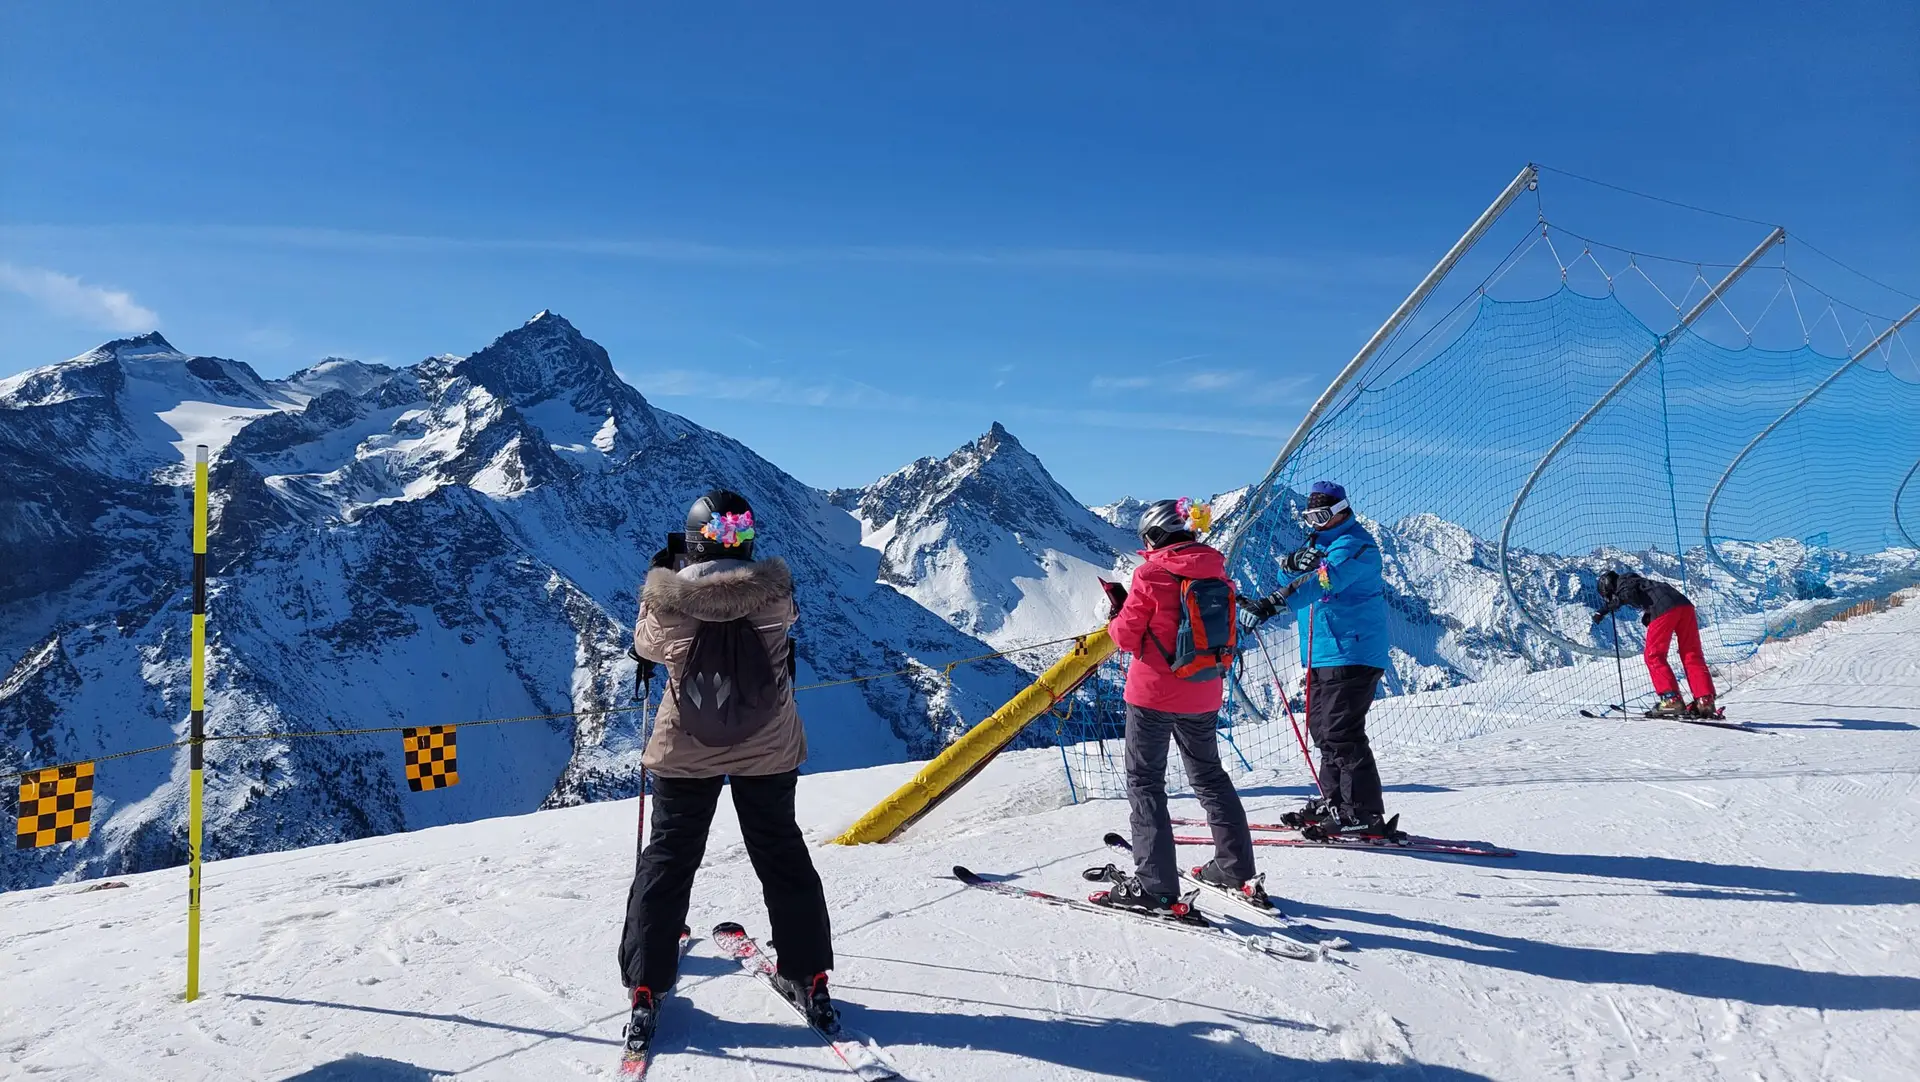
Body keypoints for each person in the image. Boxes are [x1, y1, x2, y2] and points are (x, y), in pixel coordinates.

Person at [620, 489, 836, 1054]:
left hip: (685, 749)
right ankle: (808, 975)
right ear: (747, 538)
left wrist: (661, 580)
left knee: (668, 857)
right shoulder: (774, 594)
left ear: (691, 539)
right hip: (767, 743)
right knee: (780, 851)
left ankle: (646, 984)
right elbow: (791, 623)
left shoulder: (667, 601)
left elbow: (644, 646)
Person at [1098, 497, 1259, 915]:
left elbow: (1127, 637)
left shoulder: (1151, 573)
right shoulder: (1217, 569)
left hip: (1152, 695)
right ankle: (1235, 868)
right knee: (1210, 777)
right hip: (1204, 691)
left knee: (1147, 783)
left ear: (1154, 534)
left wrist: (1114, 615)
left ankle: (1155, 884)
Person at [1242, 481, 1397, 838]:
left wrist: (1271, 603)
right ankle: (1336, 803)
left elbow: (1323, 582)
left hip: (1353, 651)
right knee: (1323, 731)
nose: (1315, 522)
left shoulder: (1357, 547)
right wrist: (1290, 563)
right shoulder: (1320, 541)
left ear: (1342, 509)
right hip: (1321, 652)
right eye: (1310, 515)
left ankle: (1363, 812)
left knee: (1342, 732)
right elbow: (1298, 574)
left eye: (1322, 515)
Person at [1592, 569, 1718, 719]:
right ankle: (1705, 701)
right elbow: (1648, 596)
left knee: (1653, 655)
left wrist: (1604, 610)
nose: (1611, 598)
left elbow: (1628, 594)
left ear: (1608, 586)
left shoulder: (1624, 583)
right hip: (1685, 606)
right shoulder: (1640, 582)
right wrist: (1648, 614)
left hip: (1664, 609)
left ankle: (1671, 699)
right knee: (1691, 653)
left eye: (1609, 595)